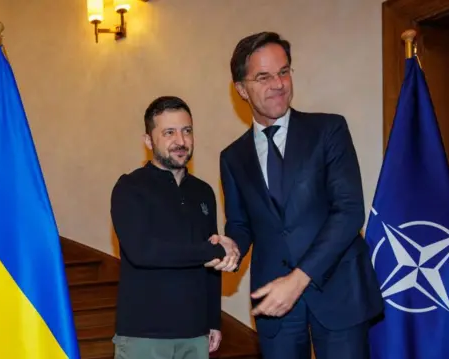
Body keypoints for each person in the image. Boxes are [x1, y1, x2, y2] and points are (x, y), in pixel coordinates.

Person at [218, 32, 384, 359]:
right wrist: (231, 246)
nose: (278, 84)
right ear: (241, 88)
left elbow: (349, 211)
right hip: (273, 301)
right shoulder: (232, 157)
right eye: (263, 77)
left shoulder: (329, 130)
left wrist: (297, 279)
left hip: (339, 292)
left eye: (283, 71)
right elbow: (242, 223)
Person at [110, 95, 240, 359]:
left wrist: (213, 319)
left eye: (187, 131)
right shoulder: (130, 187)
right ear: (148, 141)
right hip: (144, 337)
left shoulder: (203, 192)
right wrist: (211, 251)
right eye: (169, 132)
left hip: (195, 334)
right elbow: (143, 251)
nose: (180, 141)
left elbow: (211, 262)